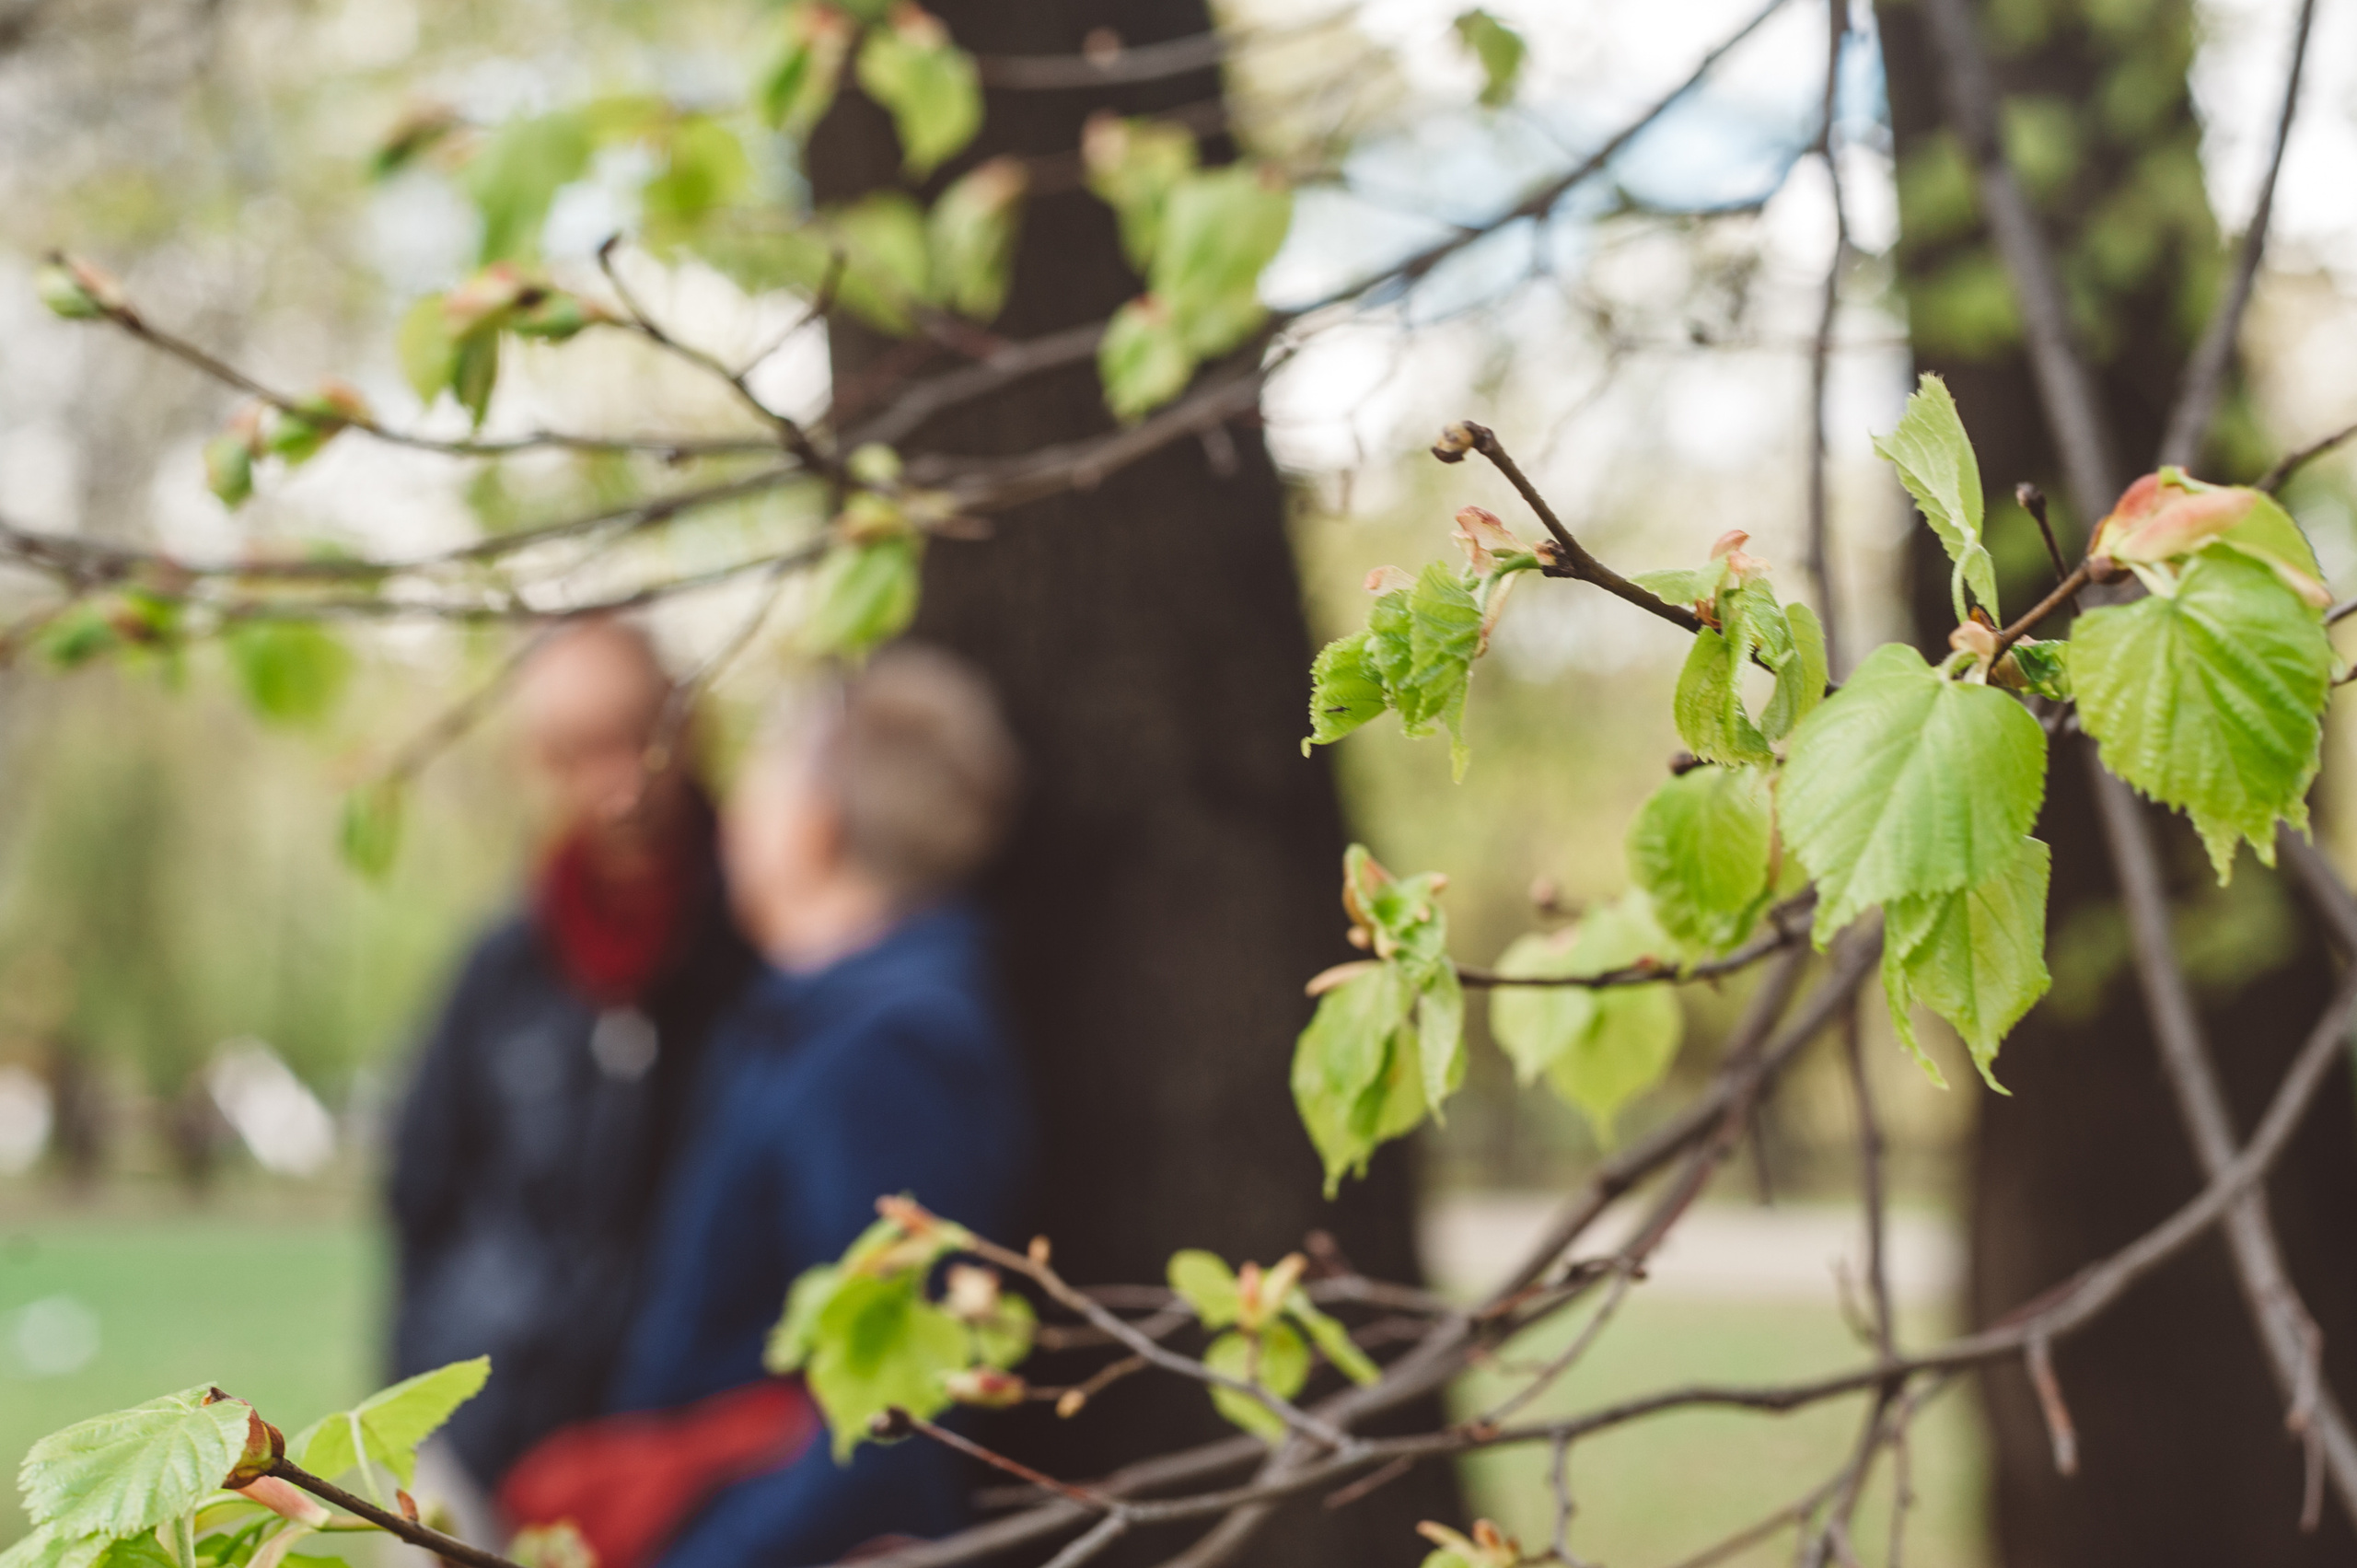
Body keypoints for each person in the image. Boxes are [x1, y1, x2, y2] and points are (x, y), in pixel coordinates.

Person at [498, 643, 1034, 1568]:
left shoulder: (887, 1047)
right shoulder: (816, 1018)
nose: (736, 813)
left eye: (765, 779)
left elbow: (895, 1408)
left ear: (816, 824)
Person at [387, 619, 757, 1531]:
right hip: (487, 1450)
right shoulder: (500, 967)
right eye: (572, 751)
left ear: (690, 728)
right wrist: (430, 1413)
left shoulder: (764, 949)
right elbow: (421, 1194)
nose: (616, 783)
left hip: (685, 1477)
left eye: (636, 735)